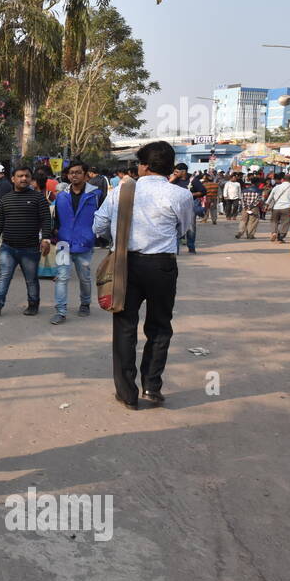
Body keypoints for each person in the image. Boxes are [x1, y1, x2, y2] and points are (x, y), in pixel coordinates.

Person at [93, 141, 194, 410]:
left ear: (145, 166)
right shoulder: (181, 195)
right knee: (160, 327)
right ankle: (152, 386)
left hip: (126, 264)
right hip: (162, 266)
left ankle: (127, 393)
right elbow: (183, 230)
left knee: (125, 327)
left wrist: (116, 235)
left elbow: (98, 224)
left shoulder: (120, 192)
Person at [0, 166, 53, 317]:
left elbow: (46, 220)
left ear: (30, 179)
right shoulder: (5, 199)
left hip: (30, 249)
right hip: (8, 248)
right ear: (13, 179)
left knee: (31, 279)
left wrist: (46, 239)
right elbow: (0, 221)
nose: (24, 179)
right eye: (20, 176)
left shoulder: (38, 198)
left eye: (27, 176)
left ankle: (33, 304)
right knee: (4, 277)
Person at [50, 160, 100, 323]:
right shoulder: (62, 196)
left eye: (78, 172)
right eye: (71, 173)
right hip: (63, 243)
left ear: (85, 175)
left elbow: (103, 217)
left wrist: (95, 235)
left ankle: (85, 303)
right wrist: (55, 232)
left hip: (84, 243)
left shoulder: (95, 195)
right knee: (62, 276)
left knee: (84, 277)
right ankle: (61, 311)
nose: (74, 175)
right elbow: (55, 217)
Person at [170, 163, 197, 253]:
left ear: (183, 172)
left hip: (189, 208)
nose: (175, 173)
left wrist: (189, 195)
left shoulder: (192, 180)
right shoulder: (174, 180)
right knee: (175, 228)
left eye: (177, 172)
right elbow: (164, 189)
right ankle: (176, 250)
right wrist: (171, 180)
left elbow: (203, 191)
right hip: (176, 207)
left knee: (191, 228)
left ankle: (191, 248)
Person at [266, 173, 290, 243]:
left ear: (283, 179)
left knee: (274, 221)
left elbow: (270, 197)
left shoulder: (276, 187)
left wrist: (267, 204)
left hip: (276, 207)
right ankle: (280, 238)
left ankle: (274, 232)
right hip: (287, 207)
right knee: (285, 223)